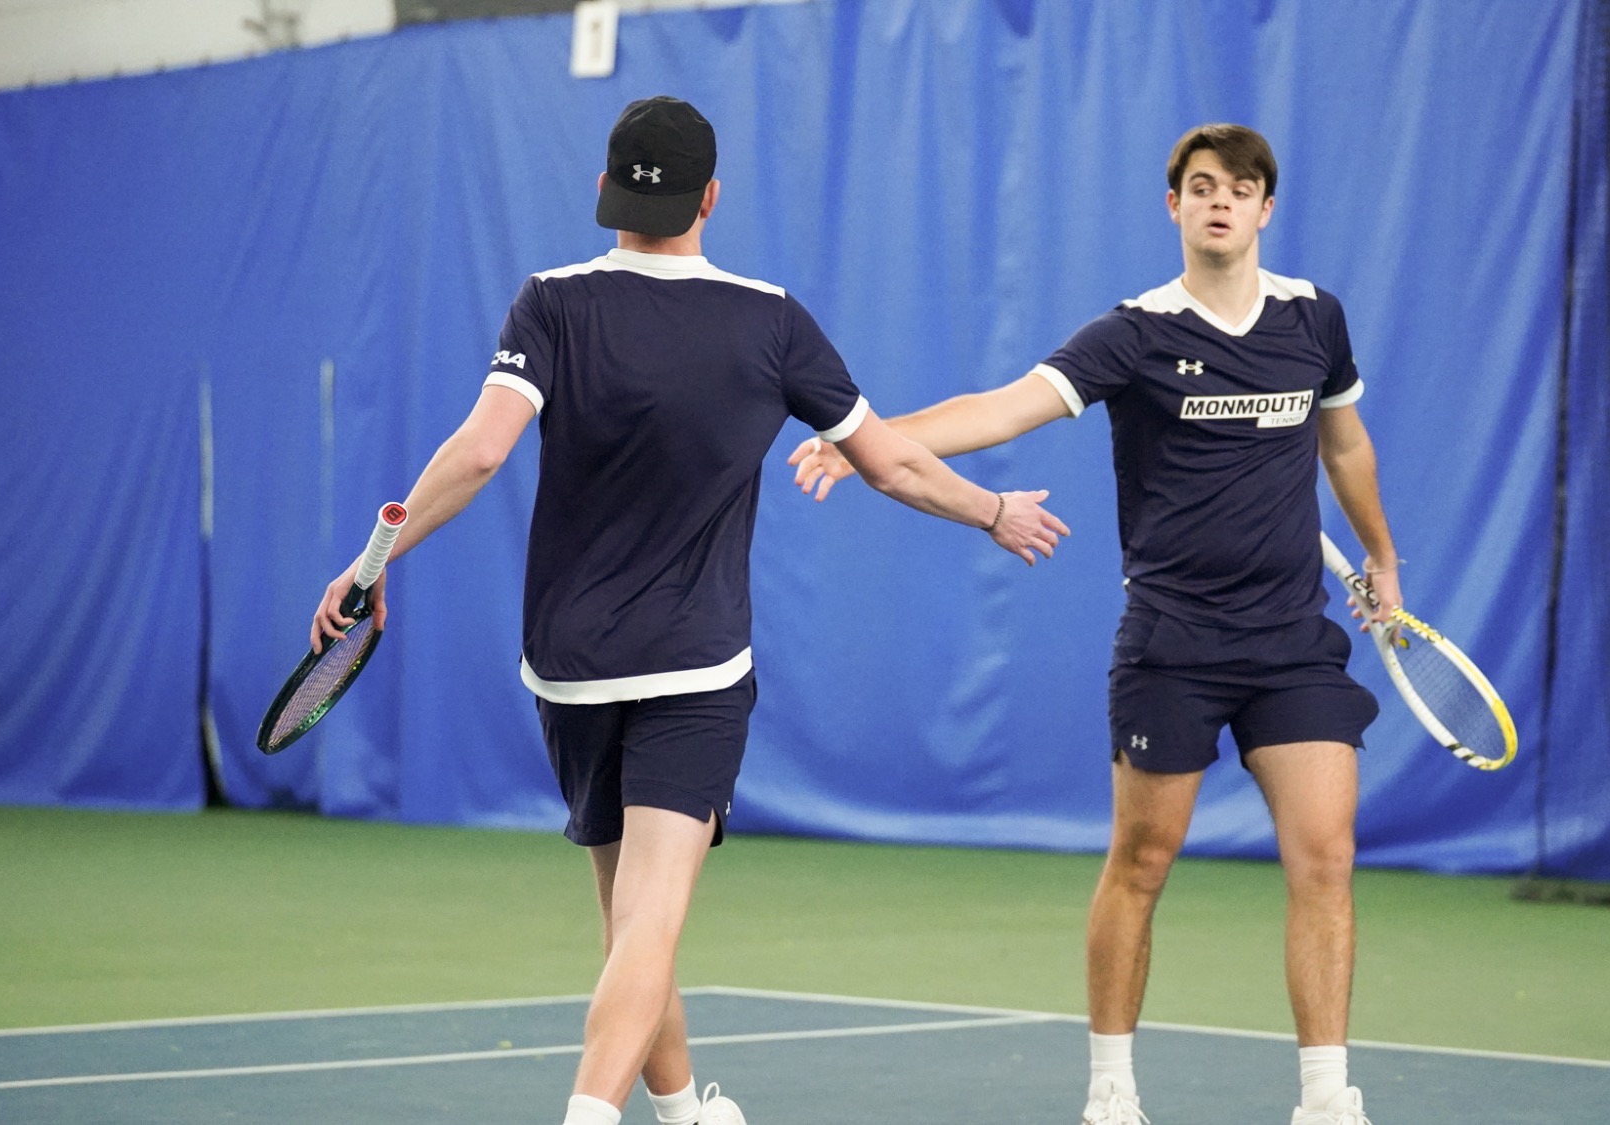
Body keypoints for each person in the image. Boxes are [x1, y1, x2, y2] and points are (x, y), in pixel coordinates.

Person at [310, 96, 1070, 1125]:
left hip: (568, 667)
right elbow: (886, 462)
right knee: (650, 927)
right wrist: (992, 512)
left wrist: (373, 560)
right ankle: (589, 1112)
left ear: (604, 191)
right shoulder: (772, 320)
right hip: (695, 669)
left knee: (630, 925)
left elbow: (482, 450)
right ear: (710, 197)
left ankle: (682, 1113)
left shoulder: (549, 302)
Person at [788, 123, 1399, 1125]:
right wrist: (868, 441)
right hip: (1172, 643)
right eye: (1200, 186)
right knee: (1141, 864)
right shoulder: (1135, 333)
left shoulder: (1313, 320)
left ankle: (1326, 1097)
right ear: (1173, 206)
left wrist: (1377, 554)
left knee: (1325, 860)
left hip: (1292, 641)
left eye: (1239, 188)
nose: (1219, 201)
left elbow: (1345, 445)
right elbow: (999, 409)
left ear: (1263, 209)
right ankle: (1110, 1091)